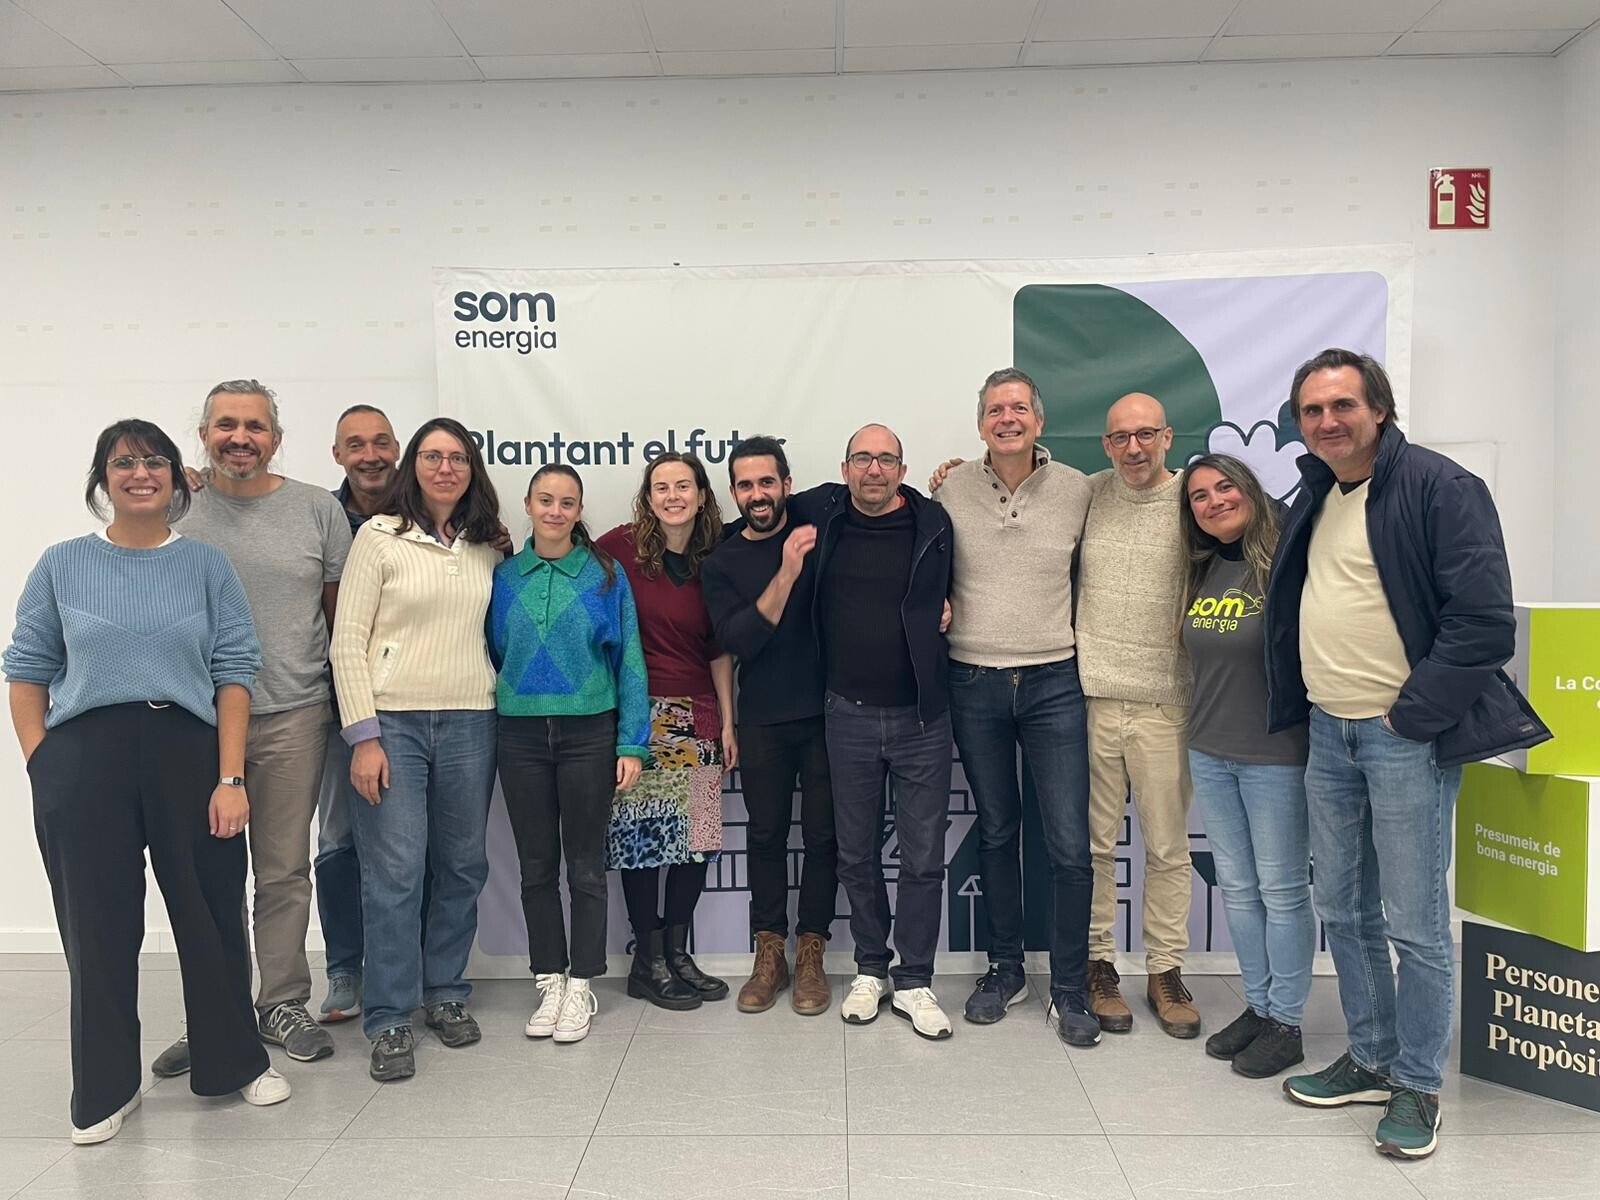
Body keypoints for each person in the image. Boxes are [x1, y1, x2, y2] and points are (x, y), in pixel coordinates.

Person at [1265, 349, 1549, 1159]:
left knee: (1416, 922)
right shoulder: (1317, 492)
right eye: (1312, 410)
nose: (1327, 421)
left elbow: (1483, 623)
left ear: (1379, 409)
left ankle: (1418, 1083)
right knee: (1344, 909)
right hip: (1330, 731)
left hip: (1401, 739)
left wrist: (1411, 717)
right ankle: (1372, 1057)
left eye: (1342, 405)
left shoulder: (1440, 487)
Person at [4, 419, 289, 1144]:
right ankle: (106, 1087)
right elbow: (27, 669)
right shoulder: (62, 564)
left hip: (188, 752)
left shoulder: (206, 566)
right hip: (83, 759)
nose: (140, 473)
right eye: (124, 462)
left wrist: (231, 776)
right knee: (97, 927)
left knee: (211, 913)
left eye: (155, 461)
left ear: (174, 477)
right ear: (103, 479)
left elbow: (234, 671)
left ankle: (235, 1061)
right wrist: (42, 764)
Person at [151, 380, 351, 1078]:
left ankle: (282, 1002)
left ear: (276, 438)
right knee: (207, 875)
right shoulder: (176, 506)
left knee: (283, 869)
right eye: (227, 425)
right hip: (195, 721)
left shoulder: (318, 509)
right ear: (204, 433)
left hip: (294, 712)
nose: (241, 437)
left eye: (255, 426)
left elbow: (338, 618)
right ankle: (217, 1011)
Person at [331, 416, 502, 1083]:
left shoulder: (486, 545)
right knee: (395, 874)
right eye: (433, 456)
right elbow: (347, 642)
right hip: (392, 724)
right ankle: (390, 1016)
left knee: (461, 866)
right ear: (414, 465)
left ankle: (446, 992)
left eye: (458, 457)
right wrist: (363, 736)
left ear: (472, 469)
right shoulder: (378, 537)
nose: (445, 468)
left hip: (471, 720)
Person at [933, 368, 1100, 1048]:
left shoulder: (1079, 490)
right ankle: (1006, 970)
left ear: (1039, 420)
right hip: (973, 679)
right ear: (980, 424)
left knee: (1069, 844)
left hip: (1054, 680)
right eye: (995, 409)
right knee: (998, 832)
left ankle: (1070, 986)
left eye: (1019, 408)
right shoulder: (950, 487)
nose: (1007, 418)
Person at [490, 464, 649, 1044]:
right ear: (528, 505)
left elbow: (630, 659)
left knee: (585, 865)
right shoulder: (504, 577)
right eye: (545, 500)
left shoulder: (605, 575)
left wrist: (632, 742)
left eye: (567, 502)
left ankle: (581, 982)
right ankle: (549, 978)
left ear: (580, 511)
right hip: (520, 735)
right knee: (535, 866)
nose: (555, 511)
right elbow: (496, 649)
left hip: (589, 733)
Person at [809, 425, 956, 1040]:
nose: (875, 469)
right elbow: (755, 514)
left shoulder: (936, 522)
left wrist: (953, 606)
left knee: (923, 858)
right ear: (845, 468)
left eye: (886, 459)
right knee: (856, 853)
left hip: (923, 716)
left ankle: (915, 979)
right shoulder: (821, 516)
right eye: (863, 459)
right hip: (846, 714)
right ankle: (871, 967)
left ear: (903, 469)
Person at [1178, 453, 1313, 1078]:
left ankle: (1287, 1022)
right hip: (1209, 750)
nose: (1214, 502)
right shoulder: (1204, 567)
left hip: (1275, 755)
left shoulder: (1287, 565)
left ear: (1251, 491)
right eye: (1200, 496)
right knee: (1237, 888)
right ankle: (1258, 1008)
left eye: (1224, 487)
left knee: (1282, 892)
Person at [701, 437, 838, 1017]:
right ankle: (770, 954)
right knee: (765, 837)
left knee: (825, 838)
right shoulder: (722, 562)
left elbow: (879, 496)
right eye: (745, 485)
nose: (757, 494)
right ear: (734, 493)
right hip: (761, 720)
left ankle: (812, 954)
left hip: (829, 716)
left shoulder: (819, 527)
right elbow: (741, 640)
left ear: (786, 484)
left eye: (766, 482)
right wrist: (786, 571)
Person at [1078, 393, 1200, 1039]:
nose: (1134, 447)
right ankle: (1098, 965)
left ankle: (1165, 970)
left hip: (1166, 702)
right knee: (1095, 847)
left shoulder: (1195, 502)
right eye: (1121, 437)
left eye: (1146, 434)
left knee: (1167, 847)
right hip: (1093, 696)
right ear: (1106, 444)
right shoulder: (1089, 493)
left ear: (1167, 437)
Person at [597, 454, 737, 1010]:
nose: (673, 496)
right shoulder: (619, 548)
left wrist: (728, 721)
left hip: (700, 714)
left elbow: (720, 650)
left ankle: (678, 955)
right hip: (640, 717)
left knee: (695, 843)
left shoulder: (717, 558)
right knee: (643, 842)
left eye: (684, 486)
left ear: (702, 495)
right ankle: (647, 962)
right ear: (648, 497)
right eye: (661, 487)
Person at [314, 403, 401, 1023]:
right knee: (338, 837)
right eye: (356, 444)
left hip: (405, 702)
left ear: (396, 449)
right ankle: (345, 967)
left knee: (410, 843)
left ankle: (405, 965)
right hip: (332, 702)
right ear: (338, 454)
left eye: (380, 442)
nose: (370, 455)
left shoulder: (423, 512)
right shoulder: (318, 516)